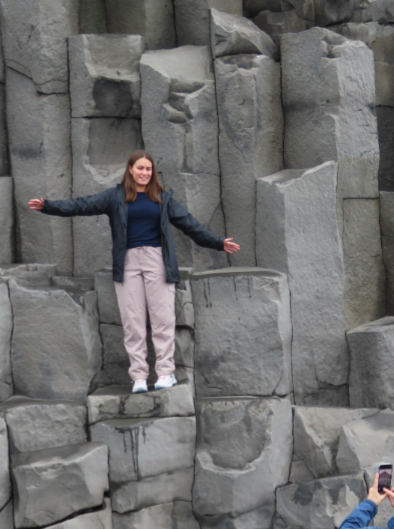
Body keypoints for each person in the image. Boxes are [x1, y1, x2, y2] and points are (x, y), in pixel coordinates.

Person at [29, 150, 240, 394]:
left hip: (156, 259)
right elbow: (81, 205)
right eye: (140, 168)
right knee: (133, 322)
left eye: (148, 169)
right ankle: (139, 377)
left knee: (162, 319)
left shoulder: (163, 198)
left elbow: (190, 225)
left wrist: (218, 242)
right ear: (130, 169)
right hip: (127, 261)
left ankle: (165, 373)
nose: (144, 173)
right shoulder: (115, 197)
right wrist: (48, 206)